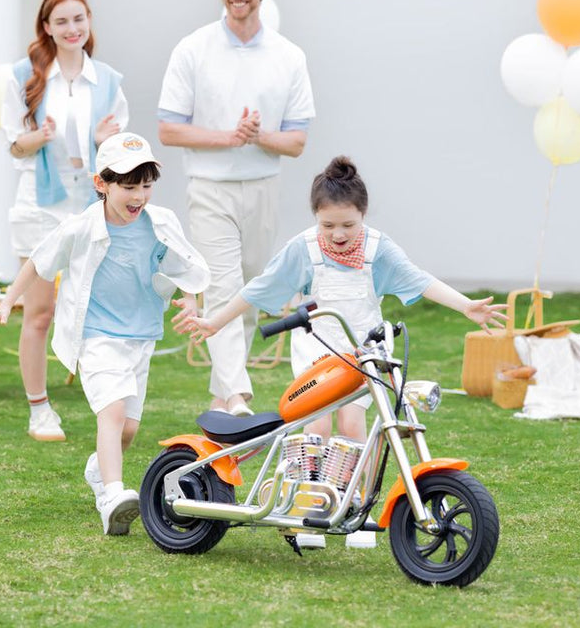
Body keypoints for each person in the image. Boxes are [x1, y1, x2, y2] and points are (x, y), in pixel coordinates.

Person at [175, 155, 506, 548]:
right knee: (316, 428)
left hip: (362, 352)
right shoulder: (303, 249)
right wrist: (215, 321)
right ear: (316, 217)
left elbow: (418, 279)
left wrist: (466, 306)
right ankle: (309, 512)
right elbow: (259, 288)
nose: (338, 234)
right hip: (316, 351)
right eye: (328, 225)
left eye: (348, 224)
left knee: (354, 426)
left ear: (363, 214)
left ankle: (357, 510)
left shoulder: (378, 249)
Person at [0, 132, 209, 535]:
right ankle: (112, 496)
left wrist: (190, 300)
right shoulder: (81, 227)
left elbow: (182, 264)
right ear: (101, 184)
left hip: (141, 336)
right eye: (129, 186)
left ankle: (98, 469)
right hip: (97, 335)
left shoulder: (160, 222)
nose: (139, 196)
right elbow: (38, 261)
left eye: (146, 186)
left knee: (128, 429)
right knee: (113, 413)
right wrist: (6, 303)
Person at [158, 0, 315, 417]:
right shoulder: (193, 48)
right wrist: (228, 138)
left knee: (248, 290)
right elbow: (168, 129)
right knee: (223, 288)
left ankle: (221, 394)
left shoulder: (288, 56)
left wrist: (257, 136)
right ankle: (238, 396)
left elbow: (297, 141)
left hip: (263, 186)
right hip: (209, 187)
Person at [0, 0, 129, 442]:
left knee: (96, 308)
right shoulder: (24, 75)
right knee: (40, 312)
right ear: (47, 28)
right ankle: (39, 409)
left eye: (78, 19)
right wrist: (39, 137)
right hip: (40, 204)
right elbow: (14, 143)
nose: (72, 28)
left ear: (88, 21)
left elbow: (120, 156)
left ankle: (110, 405)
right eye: (61, 21)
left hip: (90, 204)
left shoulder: (108, 80)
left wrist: (103, 143)